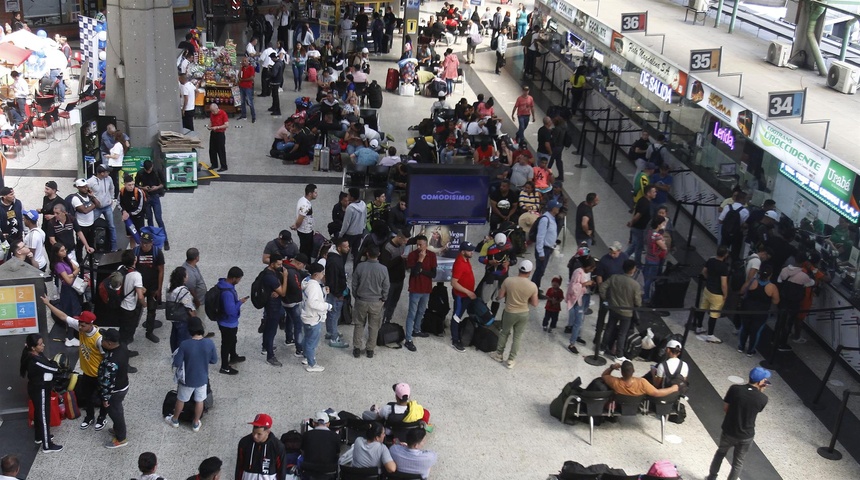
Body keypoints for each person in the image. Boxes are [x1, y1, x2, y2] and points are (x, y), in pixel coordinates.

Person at [39, 300, 111, 424]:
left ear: (90, 325)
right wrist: (48, 304)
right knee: (87, 397)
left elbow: (107, 358)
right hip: (86, 372)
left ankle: (102, 418)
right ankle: (89, 417)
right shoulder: (81, 326)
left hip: (97, 374)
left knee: (103, 398)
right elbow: (63, 316)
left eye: (83, 325)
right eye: (79, 324)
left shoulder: (99, 339)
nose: (80, 328)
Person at [707, 367, 772, 480]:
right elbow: (755, 409)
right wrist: (760, 392)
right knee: (738, 463)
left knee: (720, 453)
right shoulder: (763, 398)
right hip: (746, 436)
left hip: (729, 431)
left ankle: (712, 477)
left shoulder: (735, 389)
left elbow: (726, 408)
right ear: (760, 382)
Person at [165, 317, 217, 433]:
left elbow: (177, 362)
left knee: (181, 399)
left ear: (189, 329)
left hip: (187, 379)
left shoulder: (185, 344)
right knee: (200, 401)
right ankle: (196, 422)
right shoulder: (209, 343)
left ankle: (175, 419)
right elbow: (214, 360)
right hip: (202, 378)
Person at [489, 260, 539, 369]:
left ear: (519, 269)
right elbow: (535, 303)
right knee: (517, 337)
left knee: (504, 333)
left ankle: (499, 354)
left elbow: (500, 296)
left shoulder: (508, 281)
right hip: (523, 313)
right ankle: (511, 360)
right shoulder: (533, 286)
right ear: (530, 272)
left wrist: (497, 297)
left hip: (509, 312)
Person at [19, 333, 63, 453]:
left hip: (40, 387)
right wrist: (54, 363)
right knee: (44, 416)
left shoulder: (36, 354)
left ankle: (40, 437)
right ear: (33, 347)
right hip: (40, 390)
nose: (43, 345)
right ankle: (47, 445)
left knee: (40, 413)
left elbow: (48, 363)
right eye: (40, 344)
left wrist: (51, 362)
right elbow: (53, 368)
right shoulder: (35, 361)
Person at [352, 245, 390, 359]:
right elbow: (386, 286)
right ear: (378, 254)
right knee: (374, 326)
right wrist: (384, 298)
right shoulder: (383, 269)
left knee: (359, 324)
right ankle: (370, 350)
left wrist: (356, 296)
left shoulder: (360, 266)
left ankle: (357, 348)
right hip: (376, 302)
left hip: (361, 300)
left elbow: (354, 284)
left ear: (367, 254)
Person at [599, 259, 641, 362]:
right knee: (622, 333)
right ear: (632, 270)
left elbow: (602, 288)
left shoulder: (614, 278)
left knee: (609, 328)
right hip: (627, 312)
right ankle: (619, 355)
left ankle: (602, 348)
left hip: (613, 308)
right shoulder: (635, 284)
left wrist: (606, 299)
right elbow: (638, 302)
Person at [98, 328, 131, 449]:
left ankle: (121, 438)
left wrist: (105, 398)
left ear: (110, 343)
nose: (101, 341)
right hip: (123, 385)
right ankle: (118, 429)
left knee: (116, 413)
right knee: (117, 409)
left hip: (115, 391)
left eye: (103, 339)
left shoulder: (111, 362)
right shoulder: (122, 348)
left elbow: (108, 382)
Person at [404, 235, 437, 352]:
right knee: (411, 313)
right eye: (417, 244)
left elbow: (433, 274)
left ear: (426, 245)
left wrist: (423, 270)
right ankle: (408, 338)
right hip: (415, 289)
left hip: (426, 289)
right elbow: (415, 272)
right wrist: (420, 260)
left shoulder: (432, 255)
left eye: (421, 245)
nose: (418, 247)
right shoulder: (413, 255)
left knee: (421, 311)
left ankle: (416, 330)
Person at [695, 245, 730, 344]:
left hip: (708, 289)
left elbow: (704, 272)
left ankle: (699, 327)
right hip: (717, 294)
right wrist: (725, 294)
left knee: (702, 308)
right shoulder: (724, 267)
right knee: (714, 314)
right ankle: (710, 335)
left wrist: (709, 279)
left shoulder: (710, 261)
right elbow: (724, 284)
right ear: (725, 255)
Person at [236, 414, 288, 479]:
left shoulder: (277, 446)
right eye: (253, 432)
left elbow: (281, 471)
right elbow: (239, 467)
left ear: (267, 432)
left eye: (259, 434)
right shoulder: (244, 442)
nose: (255, 436)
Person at [135, 233, 165, 344]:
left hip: (153, 287)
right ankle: (132, 331)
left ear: (151, 243)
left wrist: (159, 289)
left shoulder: (157, 253)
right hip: (140, 287)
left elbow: (161, 271)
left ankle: (149, 332)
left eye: (146, 243)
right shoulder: (136, 252)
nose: (144, 245)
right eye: (142, 242)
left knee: (152, 311)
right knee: (136, 310)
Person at [301, 262, 332, 372]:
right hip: (313, 317)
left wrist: (323, 291)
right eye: (322, 273)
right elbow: (313, 303)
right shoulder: (313, 287)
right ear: (316, 274)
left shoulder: (306, 281)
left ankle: (305, 356)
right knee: (311, 342)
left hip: (306, 315)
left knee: (307, 338)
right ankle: (312, 364)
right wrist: (327, 306)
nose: (323, 275)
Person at [134, 160, 169, 250]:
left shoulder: (157, 171)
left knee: (159, 218)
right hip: (146, 197)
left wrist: (157, 187)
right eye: (147, 170)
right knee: (149, 219)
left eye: (149, 170)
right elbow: (136, 185)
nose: (148, 172)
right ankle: (152, 240)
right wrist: (143, 188)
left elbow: (164, 183)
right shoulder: (141, 173)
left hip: (155, 196)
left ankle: (165, 240)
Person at [118, 250, 145, 363]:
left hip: (121, 305)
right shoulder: (136, 275)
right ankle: (123, 357)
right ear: (135, 260)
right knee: (126, 335)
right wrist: (144, 303)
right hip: (129, 308)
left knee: (122, 332)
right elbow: (140, 295)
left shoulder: (120, 268)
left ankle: (123, 351)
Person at [52, 243, 82, 346]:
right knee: (71, 313)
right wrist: (73, 274)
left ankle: (72, 334)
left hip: (72, 289)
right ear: (56, 253)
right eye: (61, 250)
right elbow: (68, 281)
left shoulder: (66, 260)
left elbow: (77, 269)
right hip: (67, 291)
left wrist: (71, 275)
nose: (64, 252)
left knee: (75, 311)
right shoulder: (58, 265)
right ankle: (70, 337)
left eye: (64, 249)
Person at [261, 253, 288, 367]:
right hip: (273, 307)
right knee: (271, 330)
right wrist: (285, 277)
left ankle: (266, 346)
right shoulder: (271, 277)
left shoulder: (267, 272)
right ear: (272, 264)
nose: (281, 266)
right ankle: (270, 356)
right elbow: (283, 292)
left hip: (269, 305)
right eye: (278, 264)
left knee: (268, 328)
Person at [450, 241, 477, 352]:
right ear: (463, 252)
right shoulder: (459, 264)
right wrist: (468, 292)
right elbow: (454, 283)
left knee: (459, 315)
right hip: (461, 296)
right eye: (469, 251)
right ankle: (455, 340)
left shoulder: (466, 260)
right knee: (456, 317)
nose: (472, 253)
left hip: (466, 295)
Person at [566, 256, 596, 354]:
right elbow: (572, 287)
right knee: (578, 321)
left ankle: (577, 335)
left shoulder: (587, 273)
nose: (591, 270)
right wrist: (584, 284)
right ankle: (572, 343)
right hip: (579, 298)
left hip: (586, 296)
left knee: (582, 318)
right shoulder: (577, 272)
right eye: (591, 268)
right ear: (587, 266)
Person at [323, 238, 350, 348]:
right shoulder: (335, 261)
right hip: (336, 293)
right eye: (346, 247)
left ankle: (330, 332)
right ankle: (334, 338)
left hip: (334, 291)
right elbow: (334, 280)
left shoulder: (334, 257)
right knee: (334, 314)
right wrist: (339, 294)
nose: (348, 248)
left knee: (331, 313)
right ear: (339, 248)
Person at [601, 360, 680, 397]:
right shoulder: (642, 382)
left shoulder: (615, 382)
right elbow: (657, 393)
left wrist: (612, 367)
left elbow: (604, 376)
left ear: (621, 372)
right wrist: (673, 388)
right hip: (635, 406)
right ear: (634, 371)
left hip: (620, 404)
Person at [532, 200, 561, 294]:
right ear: (553, 209)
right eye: (557, 207)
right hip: (543, 249)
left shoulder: (552, 218)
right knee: (539, 270)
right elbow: (540, 236)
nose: (559, 209)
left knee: (541, 270)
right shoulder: (545, 219)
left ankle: (535, 288)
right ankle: (534, 289)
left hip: (548, 248)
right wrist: (540, 252)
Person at [380, 230, 409, 324]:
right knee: (386, 303)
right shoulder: (387, 247)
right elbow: (385, 265)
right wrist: (400, 258)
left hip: (400, 279)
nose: (405, 243)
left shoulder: (402, 244)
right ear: (399, 237)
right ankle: (381, 322)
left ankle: (388, 320)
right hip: (390, 280)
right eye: (404, 241)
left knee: (394, 302)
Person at [88, 165, 119, 251]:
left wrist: (112, 198)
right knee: (90, 225)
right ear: (101, 173)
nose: (108, 173)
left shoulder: (109, 179)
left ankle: (114, 248)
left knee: (112, 226)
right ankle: (90, 246)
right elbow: (86, 191)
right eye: (107, 172)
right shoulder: (90, 181)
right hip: (96, 208)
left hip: (107, 206)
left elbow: (112, 188)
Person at [166, 266, 195, 353]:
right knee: (183, 339)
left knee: (174, 335)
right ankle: (181, 356)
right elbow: (189, 307)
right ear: (182, 277)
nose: (187, 276)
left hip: (173, 316)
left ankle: (174, 353)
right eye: (186, 275)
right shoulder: (183, 291)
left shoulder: (169, 286)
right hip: (182, 318)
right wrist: (194, 318)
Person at [626, 185, 656, 265]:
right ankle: (637, 263)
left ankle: (624, 258)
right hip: (639, 228)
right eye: (654, 192)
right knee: (638, 247)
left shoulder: (642, 200)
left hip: (638, 227)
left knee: (634, 245)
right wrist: (632, 222)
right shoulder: (645, 203)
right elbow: (638, 214)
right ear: (648, 193)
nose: (655, 193)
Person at [643, 215, 668, 304]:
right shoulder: (657, 236)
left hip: (648, 257)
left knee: (646, 277)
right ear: (659, 224)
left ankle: (644, 292)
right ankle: (646, 297)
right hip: (654, 260)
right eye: (662, 223)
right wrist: (663, 241)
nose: (664, 224)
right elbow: (664, 247)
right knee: (650, 279)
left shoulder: (650, 232)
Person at [339, 188, 367, 259]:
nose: (347, 195)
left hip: (350, 234)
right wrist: (363, 228)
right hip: (359, 232)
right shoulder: (363, 204)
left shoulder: (350, 208)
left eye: (348, 194)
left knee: (344, 253)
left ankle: (342, 268)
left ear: (352, 197)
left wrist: (341, 234)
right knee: (356, 252)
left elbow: (346, 223)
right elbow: (365, 218)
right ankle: (355, 268)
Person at [119, 175, 146, 250]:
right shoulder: (122, 191)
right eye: (129, 185)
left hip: (138, 217)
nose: (131, 186)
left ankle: (142, 250)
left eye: (132, 184)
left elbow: (140, 207)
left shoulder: (138, 192)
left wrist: (129, 214)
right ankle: (133, 250)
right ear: (124, 184)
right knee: (131, 235)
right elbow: (119, 203)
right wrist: (123, 211)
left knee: (139, 235)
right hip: (128, 218)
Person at [292, 183, 317, 260]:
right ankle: (304, 263)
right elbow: (301, 217)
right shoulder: (306, 205)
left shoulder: (302, 199)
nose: (317, 194)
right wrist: (296, 225)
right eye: (315, 192)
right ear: (310, 194)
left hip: (304, 229)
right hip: (305, 231)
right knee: (306, 250)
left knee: (304, 247)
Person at [206, 103, 229, 171]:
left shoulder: (223, 114)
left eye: (213, 111)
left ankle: (224, 166)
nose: (213, 113)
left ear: (217, 108)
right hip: (213, 132)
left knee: (221, 150)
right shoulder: (212, 114)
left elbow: (226, 125)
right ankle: (214, 164)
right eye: (211, 111)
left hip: (220, 133)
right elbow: (211, 121)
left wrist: (218, 127)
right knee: (212, 149)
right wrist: (209, 126)